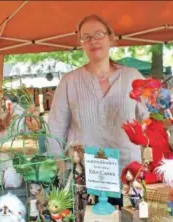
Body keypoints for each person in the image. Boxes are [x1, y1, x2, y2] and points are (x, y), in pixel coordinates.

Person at [48, 15, 148, 208]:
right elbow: (55, 129)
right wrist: (61, 171)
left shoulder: (132, 78)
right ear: (81, 44)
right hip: (84, 178)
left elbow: (148, 122)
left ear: (111, 37)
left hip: (127, 176)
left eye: (98, 34)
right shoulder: (69, 82)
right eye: (86, 37)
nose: (93, 40)